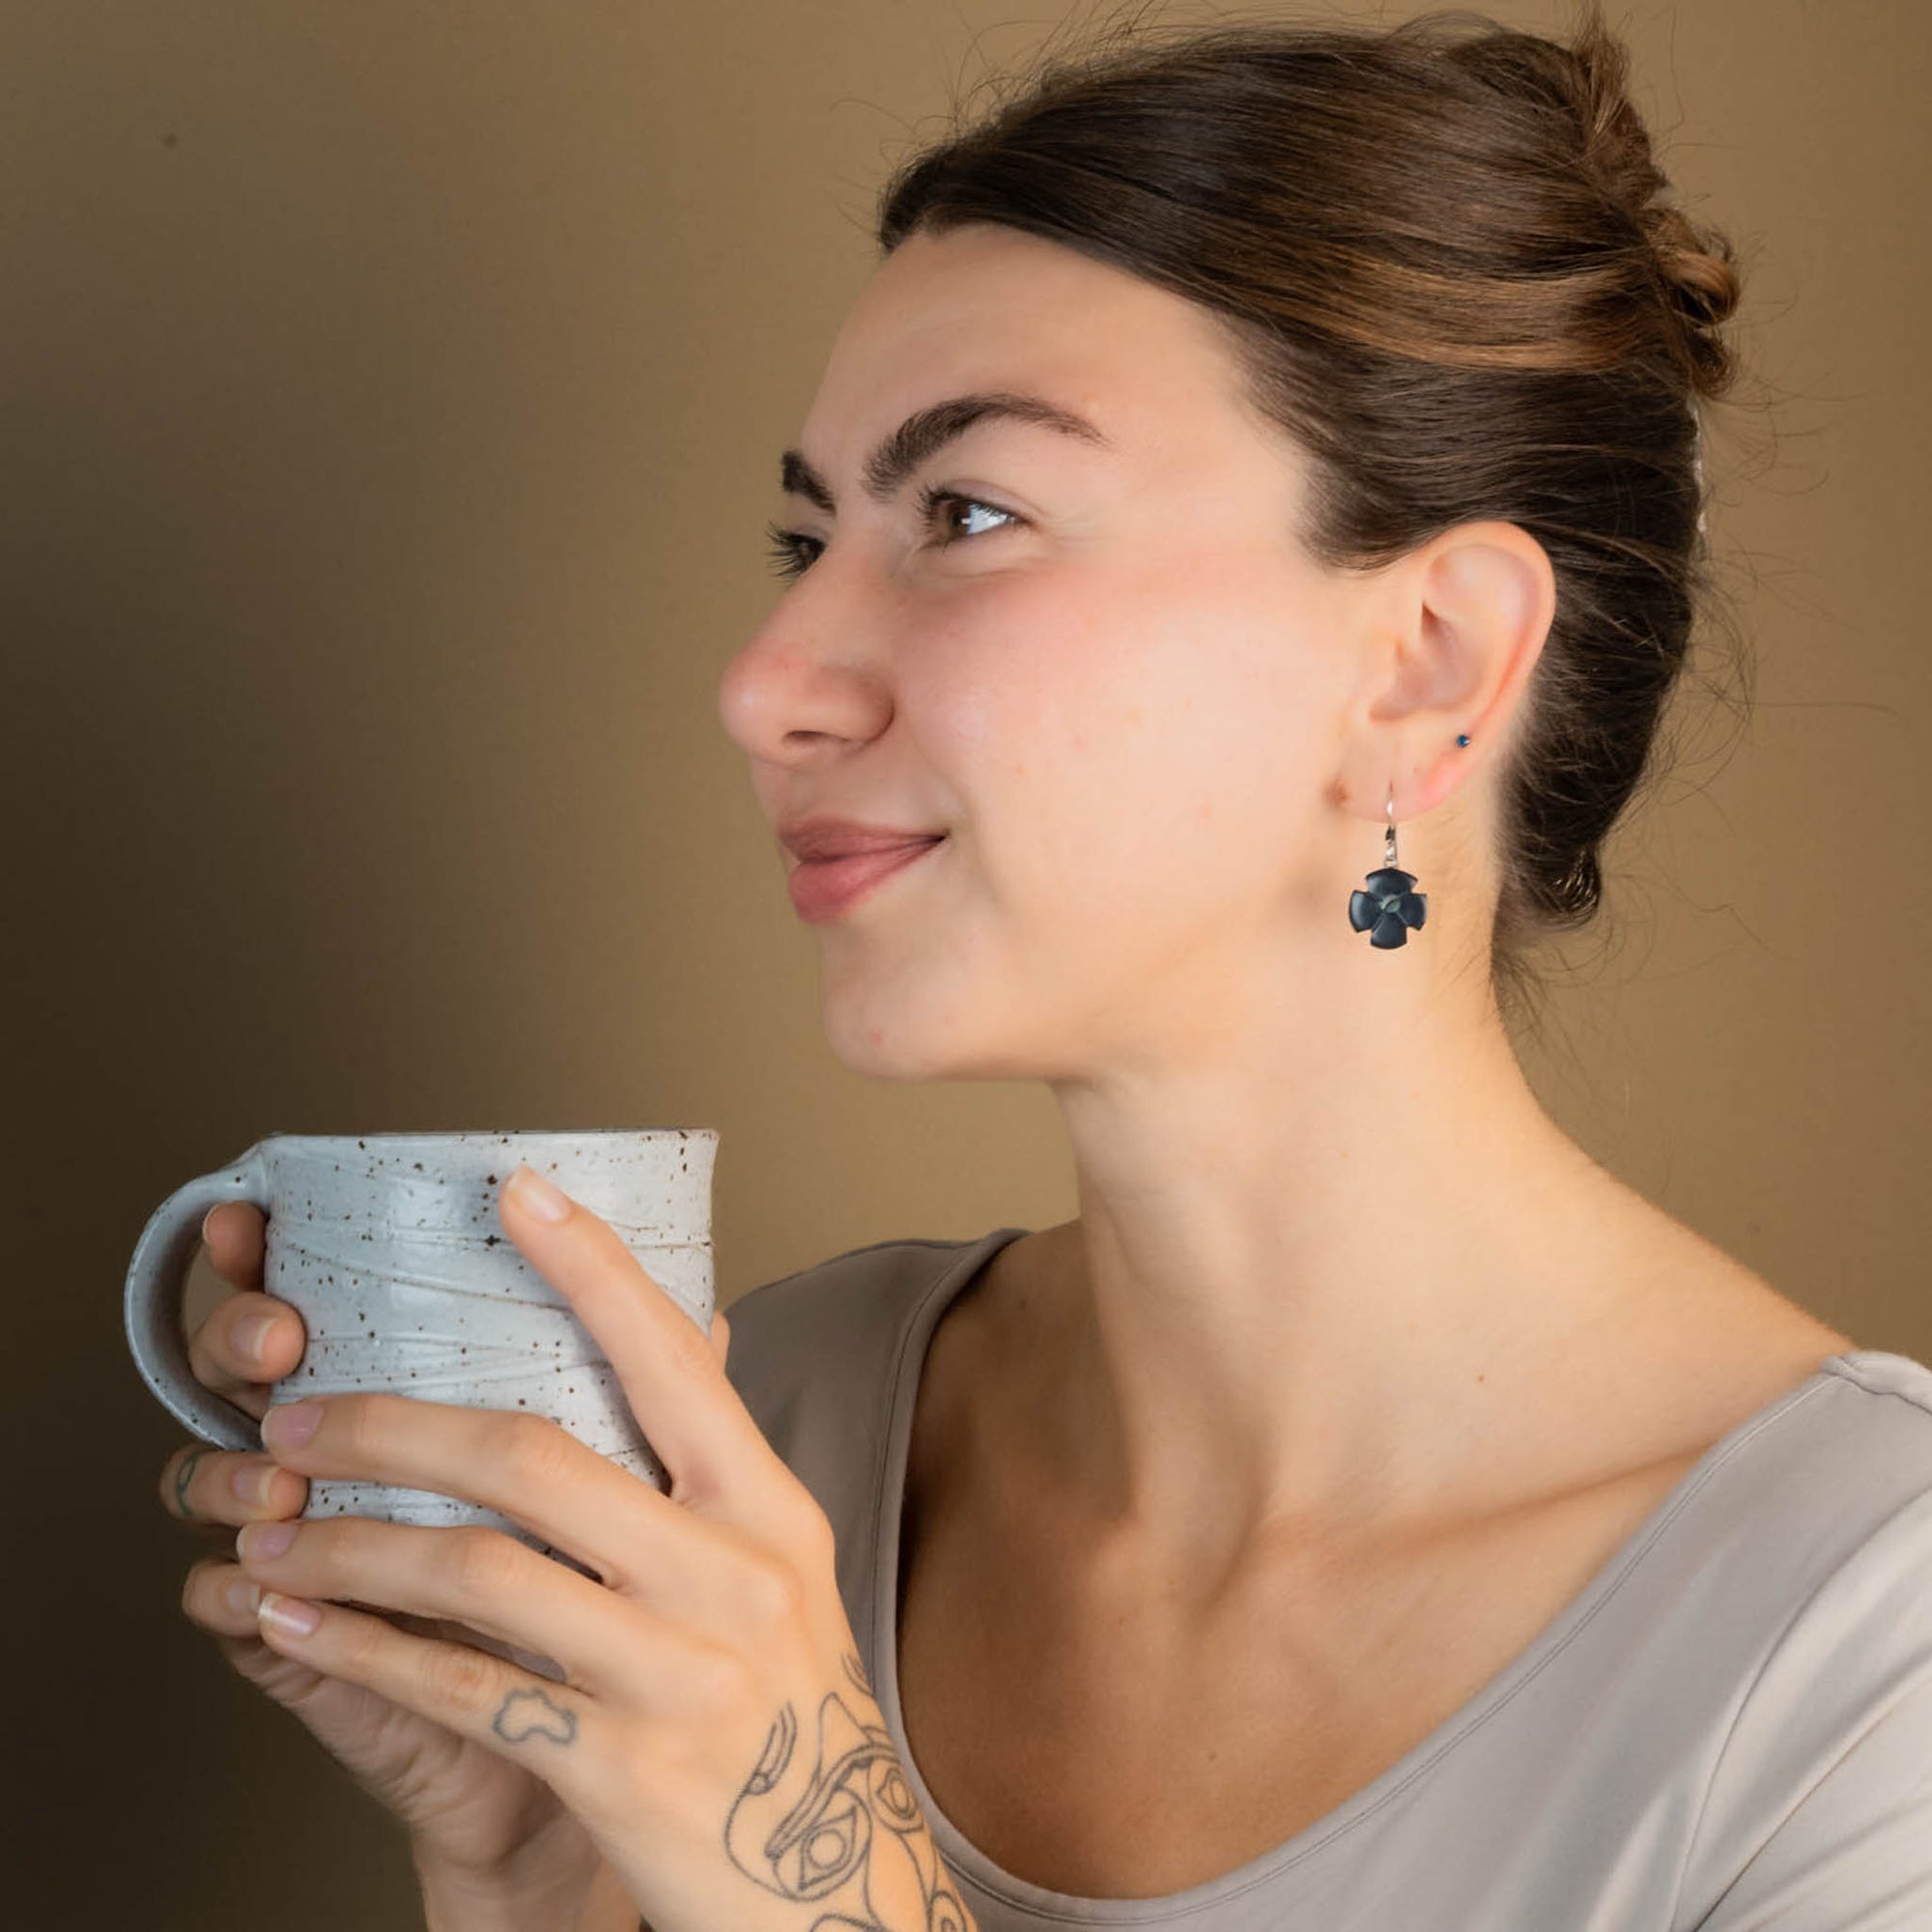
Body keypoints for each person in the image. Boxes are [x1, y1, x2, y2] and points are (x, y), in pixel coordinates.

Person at [163, 4, 1932, 1927]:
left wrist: (812, 1878)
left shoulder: (1867, 1655)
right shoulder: (746, 1447)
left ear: (1426, 662)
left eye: (969, 514)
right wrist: (535, 1874)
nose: (765, 683)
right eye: (806, 540)